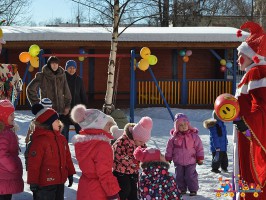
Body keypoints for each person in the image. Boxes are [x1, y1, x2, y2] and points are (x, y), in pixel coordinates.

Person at [233, 21, 266, 199]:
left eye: (242, 56)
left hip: (251, 135)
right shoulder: (251, 73)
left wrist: (245, 123)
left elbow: (263, 107)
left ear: (252, 57)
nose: (238, 60)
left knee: (252, 173)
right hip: (246, 134)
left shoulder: (257, 72)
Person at [70, 105, 120, 200]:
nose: (110, 127)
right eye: (107, 124)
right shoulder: (102, 146)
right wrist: (113, 193)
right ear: (99, 126)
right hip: (98, 191)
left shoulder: (82, 144)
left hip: (84, 188)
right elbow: (104, 173)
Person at [27, 104, 76, 200]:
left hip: (60, 181)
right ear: (48, 123)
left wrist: (70, 173)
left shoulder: (61, 139)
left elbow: (67, 157)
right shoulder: (40, 141)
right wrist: (33, 182)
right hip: (45, 184)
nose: (59, 122)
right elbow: (33, 164)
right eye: (56, 120)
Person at [26, 56, 72, 134]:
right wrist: (37, 105)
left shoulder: (62, 75)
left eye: (56, 64)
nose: (55, 65)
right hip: (46, 112)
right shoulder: (42, 76)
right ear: (49, 64)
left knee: (62, 135)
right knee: (48, 134)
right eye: (53, 63)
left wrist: (67, 106)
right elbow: (30, 89)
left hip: (60, 111)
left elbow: (66, 91)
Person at [112, 116, 153, 200]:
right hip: (121, 171)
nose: (142, 144)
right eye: (141, 141)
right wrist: (133, 160)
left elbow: (144, 153)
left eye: (144, 142)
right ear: (135, 136)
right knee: (125, 190)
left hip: (133, 170)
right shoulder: (122, 141)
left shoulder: (140, 143)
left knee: (134, 191)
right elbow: (118, 155)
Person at [165, 113, 204, 196]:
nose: (183, 126)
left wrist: (200, 157)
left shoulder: (194, 136)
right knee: (179, 176)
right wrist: (168, 157)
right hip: (178, 161)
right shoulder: (174, 138)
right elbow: (169, 148)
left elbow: (199, 147)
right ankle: (181, 189)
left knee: (190, 175)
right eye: (180, 125)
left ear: (188, 124)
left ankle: (193, 189)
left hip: (191, 160)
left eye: (185, 124)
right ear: (176, 127)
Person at [0, 100, 24, 200]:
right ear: (4, 115)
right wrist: (13, 166)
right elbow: (1, 154)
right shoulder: (4, 134)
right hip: (4, 176)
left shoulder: (7, 131)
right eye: (11, 114)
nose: (14, 117)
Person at [62, 60, 88, 142]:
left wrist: (85, 110)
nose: (72, 70)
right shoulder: (61, 79)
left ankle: (82, 152)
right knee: (63, 135)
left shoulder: (79, 80)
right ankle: (64, 152)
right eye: (70, 68)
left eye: (74, 68)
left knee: (81, 134)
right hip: (64, 112)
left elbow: (83, 95)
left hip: (77, 112)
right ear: (66, 68)